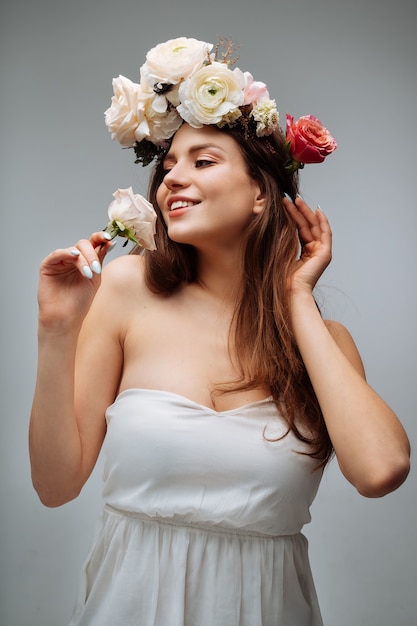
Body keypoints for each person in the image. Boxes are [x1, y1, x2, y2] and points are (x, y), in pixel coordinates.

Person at [29, 37, 410, 626]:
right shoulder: (127, 290)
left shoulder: (323, 343)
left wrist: (295, 297)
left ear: (262, 192)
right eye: (168, 166)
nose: (172, 179)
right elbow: (55, 485)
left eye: (202, 161)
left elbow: (382, 470)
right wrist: (57, 330)